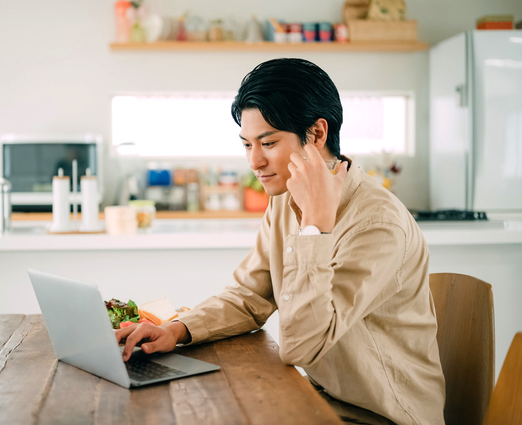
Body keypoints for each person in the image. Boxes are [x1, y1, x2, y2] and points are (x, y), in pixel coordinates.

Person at [116, 58, 445, 424]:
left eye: (268, 142)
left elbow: (302, 346)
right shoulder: (285, 199)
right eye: (246, 145)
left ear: (317, 134)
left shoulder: (378, 223)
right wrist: (174, 330)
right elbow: (250, 295)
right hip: (318, 398)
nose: (255, 161)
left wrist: (316, 228)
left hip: (379, 415)